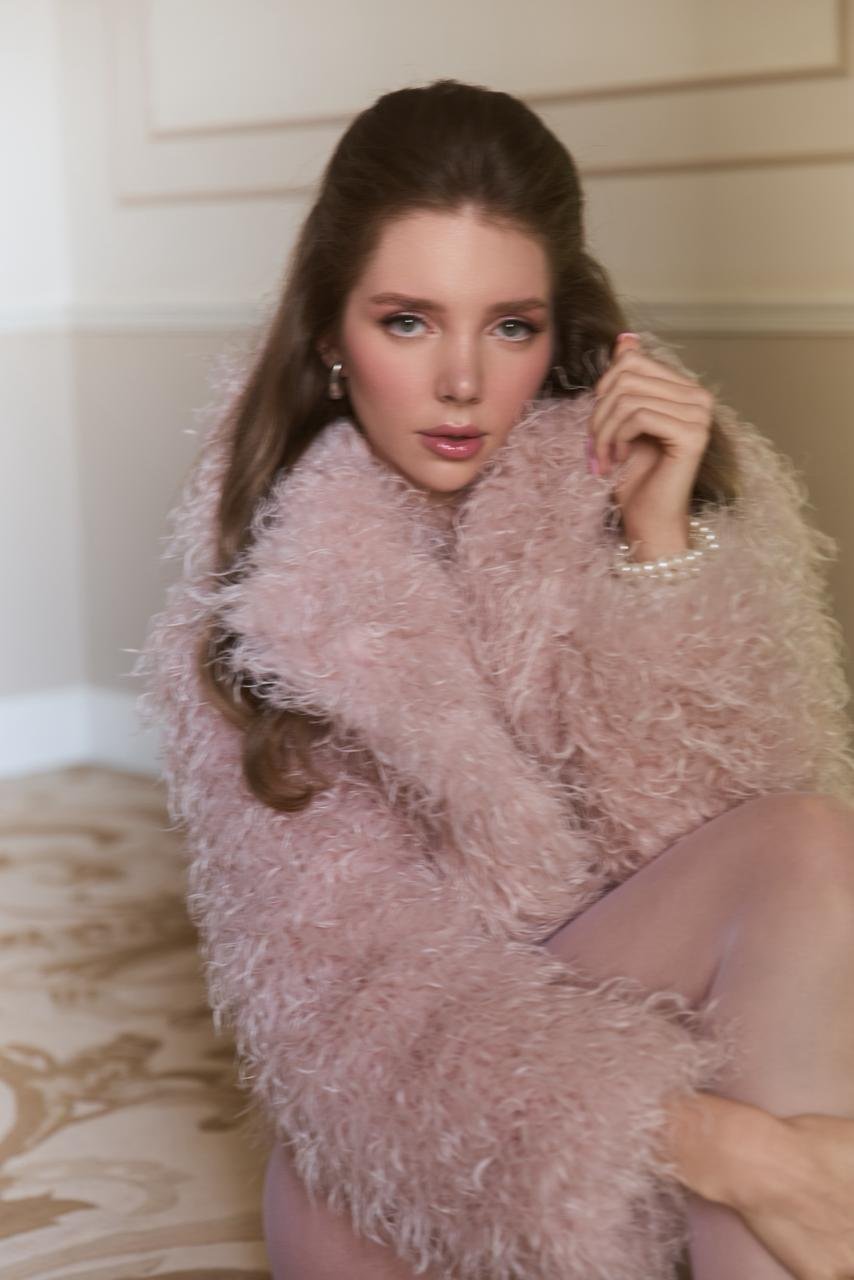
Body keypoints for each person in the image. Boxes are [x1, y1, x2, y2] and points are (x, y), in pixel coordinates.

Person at [134, 78, 854, 1280]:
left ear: (558, 332)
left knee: (804, 842)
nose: (462, 380)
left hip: (620, 1014)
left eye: (509, 326)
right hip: (410, 1147)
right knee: (783, 1159)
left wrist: (655, 551)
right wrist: (729, 1147)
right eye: (407, 321)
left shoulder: (631, 486)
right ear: (330, 332)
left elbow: (716, 862)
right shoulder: (263, 617)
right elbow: (354, 1032)